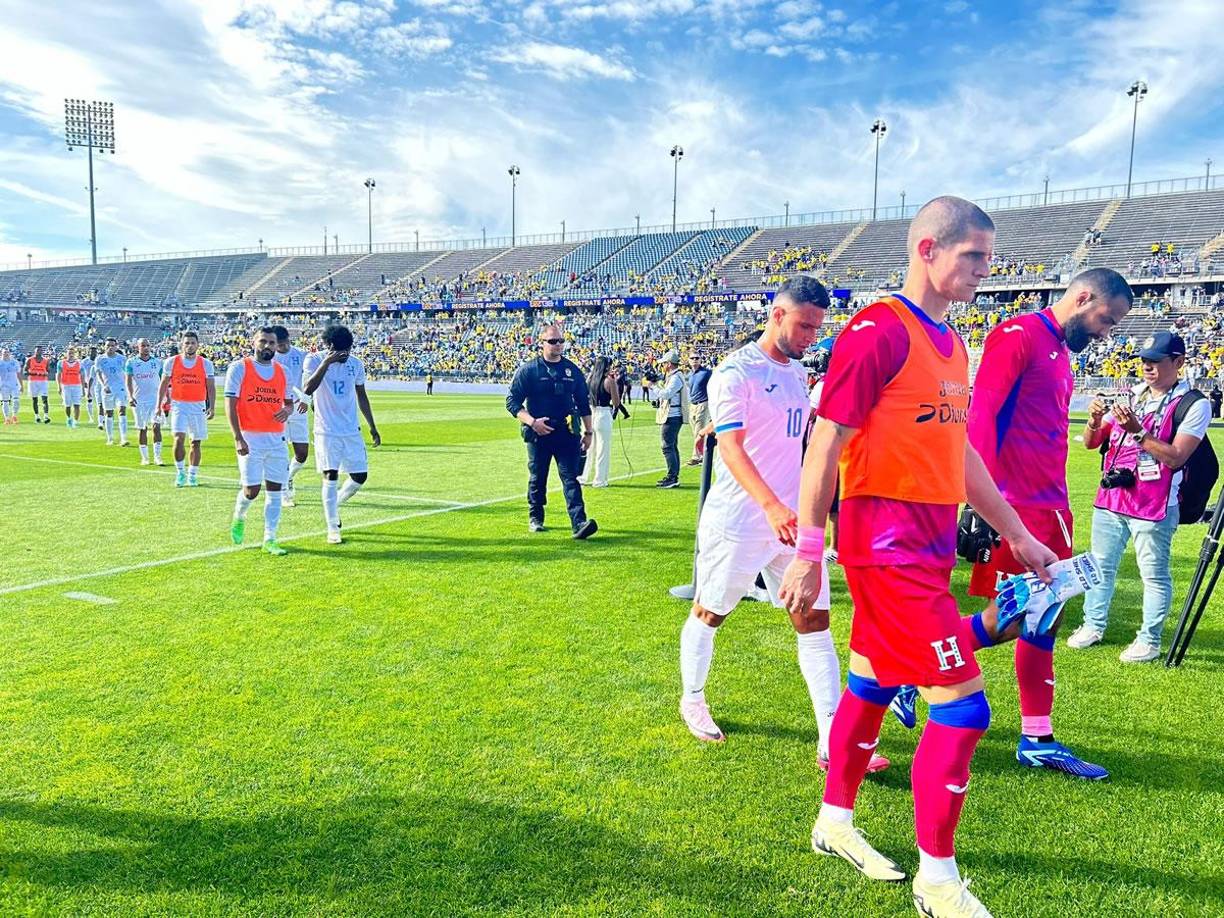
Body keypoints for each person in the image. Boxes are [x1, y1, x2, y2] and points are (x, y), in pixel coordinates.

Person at [779, 196, 1056, 917]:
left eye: (989, 259)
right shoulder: (878, 330)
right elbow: (826, 442)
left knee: (871, 682)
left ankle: (833, 822)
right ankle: (937, 881)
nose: (985, 273)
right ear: (928, 249)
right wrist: (810, 552)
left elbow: (958, 452)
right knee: (962, 709)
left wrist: (1018, 533)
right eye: (974, 257)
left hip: (929, 540)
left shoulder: (954, 344)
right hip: (885, 541)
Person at [889, 268, 1134, 780]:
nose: (1105, 333)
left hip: (1052, 507)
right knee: (1018, 616)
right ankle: (914, 670)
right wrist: (983, 505)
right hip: (1016, 506)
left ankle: (1036, 737)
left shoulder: (1061, 353)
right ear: (1083, 297)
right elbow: (977, 421)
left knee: (1046, 617)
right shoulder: (1018, 335)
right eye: (1105, 319)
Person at [676, 276, 889, 768]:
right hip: (739, 520)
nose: (811, 336)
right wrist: (771, 505)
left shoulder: (795, 374)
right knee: (712, 611)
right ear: (776, 314)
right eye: (804, 325)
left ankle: (831, 737)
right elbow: (729, 447)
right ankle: (693, 696)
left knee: (813, 620)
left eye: (817, 327)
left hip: (791, 524)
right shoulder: (735, 372)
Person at [1069, 331, 1212, 662]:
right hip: (1112, 499)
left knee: (1153, 574)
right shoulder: (1131, 395)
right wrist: (1093, 420)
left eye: (1155, 362)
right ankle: (1092, 624)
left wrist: (1137, 430)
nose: (1147, 368)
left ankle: (1149, 640)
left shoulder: (1194, 404)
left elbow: (1176, 457)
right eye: (1144, 362)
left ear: (1178, 362)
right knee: (1100, 566)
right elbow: (1092, 442)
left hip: (1154, 505)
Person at [506, 323, 598, 538]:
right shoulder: (529, 370)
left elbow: (583, 403)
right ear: (542, 343)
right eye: (553, 341)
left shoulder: (572, 370)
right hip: (538, 434)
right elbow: (512, 402)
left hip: (566, 433)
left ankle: (579, 522)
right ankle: (535, 517)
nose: (558, 345)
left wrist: (589, 432)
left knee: (570, 478)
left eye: (561, 341)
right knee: (538, 477)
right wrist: (532, 422)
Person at [302, 324, 381, 544]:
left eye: (349, 349)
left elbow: (362, 396)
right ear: (329, 346)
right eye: (342, 350)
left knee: (360, 476)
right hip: (325, 431)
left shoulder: (356, 364)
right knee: (330, 476)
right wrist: (327, 362)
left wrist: (372, 426)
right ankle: (332, 527)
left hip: (351, 430)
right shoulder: (314, 360)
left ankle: (333, 504)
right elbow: (308, 388)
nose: (346, 355)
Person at [226, 327, 293, 556]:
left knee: (275, 490)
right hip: (249, 437)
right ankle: (239, 516)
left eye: (271, 343)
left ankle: (270, 538)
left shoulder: (283, 371)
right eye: (263, 341)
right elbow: (231, 404)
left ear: (277, 346)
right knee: (252, 491)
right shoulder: (239, 368)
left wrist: (287, 410)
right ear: (254, 342)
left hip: (276, 439)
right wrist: (238, 437)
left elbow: (289, 402)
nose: (267, 346)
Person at [158, 331, 216, 487]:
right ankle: (180, 473)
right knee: (178, 438)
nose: (189, 345)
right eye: (187, 343)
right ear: (181, 345)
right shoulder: (171, 362)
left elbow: (210, 387)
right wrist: (159, 405)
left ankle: (193, 474)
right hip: (179, 405)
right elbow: (163, 384)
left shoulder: (206, 364)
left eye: (192, 343)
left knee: (195, 443)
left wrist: (212, 407)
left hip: (198, 406)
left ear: (197, 345)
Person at [271, 326, 310, 507]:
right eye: (279, 344)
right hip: (279, 410)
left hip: (299, 408)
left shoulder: (302, 355)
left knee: (302, 454)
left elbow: (310, 380)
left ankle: (288, 477)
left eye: (285, 342)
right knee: (281, 452)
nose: (283, 346)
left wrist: (307, 398)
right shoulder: (270, 359)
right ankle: (284, 493)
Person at [578, 354, 621, 488]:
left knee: (589, 447)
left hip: (591, 412)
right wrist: (616, 383)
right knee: (603, 449)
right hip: (603, 413)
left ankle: (583, 476)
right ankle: (599, 479)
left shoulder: (590, 378)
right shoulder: (609, 380)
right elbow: (616, 402)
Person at [125, 338, 165, 465]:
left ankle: (158, 457)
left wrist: (166, 396)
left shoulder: (158, 362)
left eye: (148, 345)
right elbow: (128, 381)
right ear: (138, 347)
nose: (146, 348)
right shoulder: (131, 362)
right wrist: (130, 396)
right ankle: (145, 458)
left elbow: (163, 381)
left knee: (156, 427)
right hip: (139, 400)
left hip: (155, 400)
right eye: (143, 345)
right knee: (142, 429)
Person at [654, 351, 688, 488]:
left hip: (672, 415)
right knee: (672, 446)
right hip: (673, 414)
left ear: (669, 364)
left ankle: (672, 477)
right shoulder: (675, 376)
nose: (662, 366)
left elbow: (667, 394)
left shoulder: (675, 378)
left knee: (667, 446)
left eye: (664, 363)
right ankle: (673, 475)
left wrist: (653, 387)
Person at [95, 338, 130, 446]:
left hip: (120, 388)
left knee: (122, 411)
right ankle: (110, 438)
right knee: (108, 413)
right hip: (107, 389)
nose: (110, 347)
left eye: (112, 345)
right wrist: (103, 385)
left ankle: (123, 438)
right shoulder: (100, 359)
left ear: (116, 346)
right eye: (108, 345)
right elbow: (98, 373)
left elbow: (128, 373)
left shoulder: (122, 359)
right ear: (104, 347)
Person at [686, 354, 712, 467]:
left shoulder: (706, 373)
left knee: (698, 431)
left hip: (703, 403)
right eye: (692, 358)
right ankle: (702, 454)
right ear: (688, 360)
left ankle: (696, 457)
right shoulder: (689, 374)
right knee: (695, 432)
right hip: (693, 404)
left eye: (697, 358)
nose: (694, 360)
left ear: (700, 360)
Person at [57, 345, 84, 428]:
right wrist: (59, 386)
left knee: (77, 404)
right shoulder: (61, 363)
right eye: (69, 353)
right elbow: (58, 375)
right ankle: (69, 418)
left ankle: (75, 422)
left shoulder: (79, 363)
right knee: (67, 405)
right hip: (66, 386)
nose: (71, 354)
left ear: (75, 354)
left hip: (77, 386)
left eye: (72, 353)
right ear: (67, 354)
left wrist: (83, 387)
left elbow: (82, 375)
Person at [24, 346, 51, 424]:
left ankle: (46, 416)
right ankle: (37, 416)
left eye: (40, 351)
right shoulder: (29, 360)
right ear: (34, 351)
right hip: (33, 381)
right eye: (37, 351)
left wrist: (46, 373)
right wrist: (35, 373)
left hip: (43, 382)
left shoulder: (46, 361)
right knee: (35, 399)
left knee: (45, 399)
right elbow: (24, 372)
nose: (39, 352)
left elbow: (48, 371)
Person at [0, 347, 21, 425]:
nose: (6, 353)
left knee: (16, 400)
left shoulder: (15, 362)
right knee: (5, 402)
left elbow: (18, 373)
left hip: (14, 384)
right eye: (4, 352)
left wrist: (21, 384)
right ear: (2, 353)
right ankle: (7, 418)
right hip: (3, 385)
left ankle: (14, 416)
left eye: (7, 352)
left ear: (10, 353)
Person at [80, 346, 97, 427]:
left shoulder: (98, 360)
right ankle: (91, 417)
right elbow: (80, 373)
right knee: (89, 400)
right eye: (91, 352)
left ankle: (102, 417)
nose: (92, 353)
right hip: (88, 384)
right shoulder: (84, 362)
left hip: (98, 384)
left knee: (100, 402)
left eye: (94, 352)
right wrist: (83, 382)